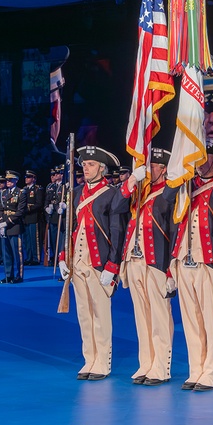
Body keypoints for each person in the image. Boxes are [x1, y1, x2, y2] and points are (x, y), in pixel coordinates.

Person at [170, 140, 213, 392]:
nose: (197, 161)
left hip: (208, 262)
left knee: (210, 319)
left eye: (203, 156)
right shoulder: (185, 187)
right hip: (183, 262)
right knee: (190, 320)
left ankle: (211, 371)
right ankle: (195, 369)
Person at [58, 145, 127, 381]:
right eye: (84, 164)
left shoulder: (111, 194)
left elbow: (117, 232)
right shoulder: (76, 192)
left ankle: (103, 362)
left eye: (91, 165)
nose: (85, 168)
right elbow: (70, 227)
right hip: (77, 263)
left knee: (100, 315)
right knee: (84, 315)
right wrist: (62, 256)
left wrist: (112, 265)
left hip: (99, 263)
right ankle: (89, 359)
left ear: (102, 168)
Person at [119, 148, 178, 386]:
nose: (147, 169)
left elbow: (174, 232)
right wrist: (132, 180)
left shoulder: (169, 194)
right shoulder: (139, 193)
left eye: (152, 166)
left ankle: (161, 366)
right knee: (141, 315)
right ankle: (146, 362)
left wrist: (171, 270)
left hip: (157, 262)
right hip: (134, 261)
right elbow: (116, 206)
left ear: (163, 169)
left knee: (160, 315)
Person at [0, 171, 25, 283]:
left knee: (17, 253)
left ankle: (19, 275)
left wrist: (7, 222)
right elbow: (0, 209)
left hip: (15, 225)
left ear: (16, 180)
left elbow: (20, 212)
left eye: (10, 180)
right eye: (7, 180)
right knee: (6, 253)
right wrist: (0, 223)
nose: (7, 182)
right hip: (5, 226)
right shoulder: (4, 193)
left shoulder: (21, 193)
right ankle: (8, 275)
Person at [21, 170, 44, 266]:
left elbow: (39, 204)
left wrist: (27, 208)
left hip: (34, 216)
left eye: (29, 177)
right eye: (26, 177)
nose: (26, 179)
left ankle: (36, 258)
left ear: (34, 179)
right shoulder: (24, 189)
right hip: (25, 217)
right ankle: (29, 257)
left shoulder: (37, 189)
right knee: (27, 239)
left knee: (34, 239)